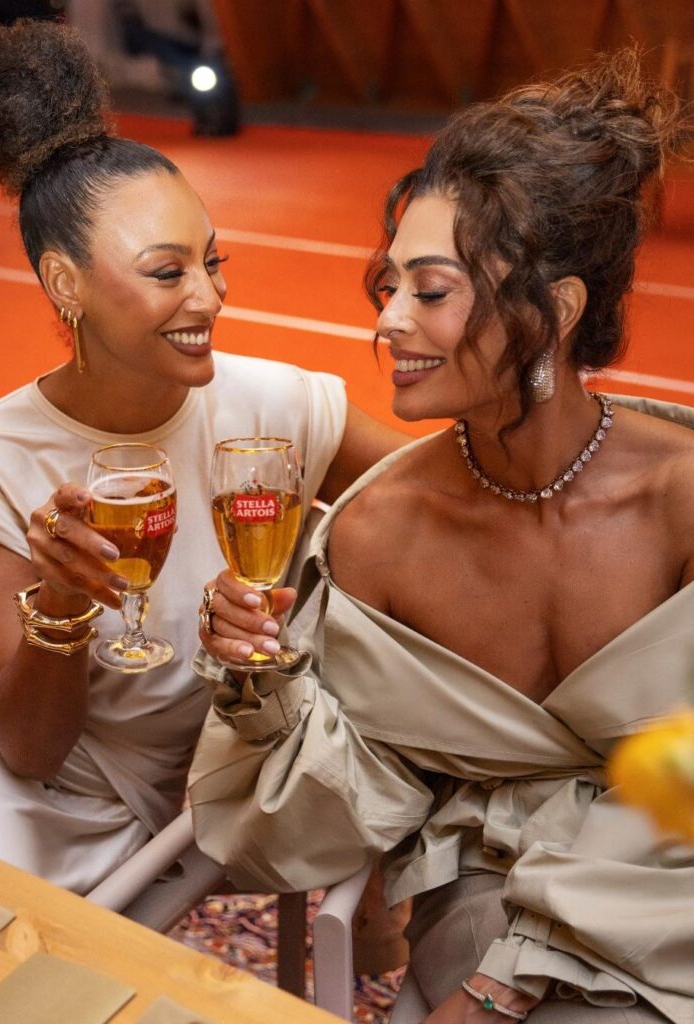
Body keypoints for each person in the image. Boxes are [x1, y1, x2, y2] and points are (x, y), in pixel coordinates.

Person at [189, 50, 694, 1023]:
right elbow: (331, 811)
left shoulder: (679, 501)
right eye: (389, 286)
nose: (387, 321)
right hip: (487, 877)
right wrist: (264, 684)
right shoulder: (380, 534)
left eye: (429, 291)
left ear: (555, 310)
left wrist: (517, 971)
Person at [0, 18, 408, 894]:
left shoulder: (276, 406)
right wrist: (61, 604)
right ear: (65, 284)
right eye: (168, 273)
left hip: (181, 758)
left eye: (212, 261)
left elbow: (447, 497)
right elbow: (27, 746)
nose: (210, 296)